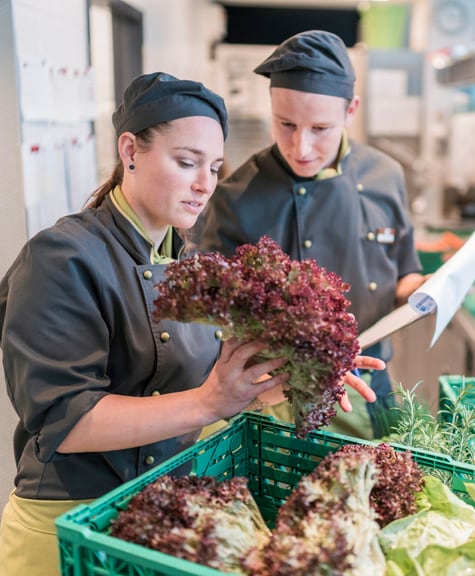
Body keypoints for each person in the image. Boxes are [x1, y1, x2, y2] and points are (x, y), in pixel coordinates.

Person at [0, 71, 380, 576]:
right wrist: (209, 402)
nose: (205, 184)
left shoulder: (185, 264)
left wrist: (299, 376)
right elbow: (66, 421)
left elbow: (199, 390)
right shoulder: (62, 258)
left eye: (216, 167)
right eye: (186, 162)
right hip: (67, 528)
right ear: (130, 150)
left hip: (152, 515)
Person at [200, 30, 426, 439]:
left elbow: (404, 272)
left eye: (320, 128)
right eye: (286, 124)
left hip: (370, 384)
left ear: (351, 110)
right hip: (274, 398)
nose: (300, 146)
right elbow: (214, 321)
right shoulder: (236, 197)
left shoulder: (385, 176)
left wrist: (430, 290)